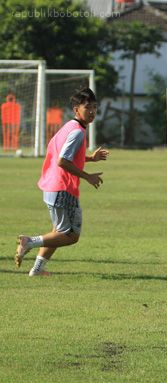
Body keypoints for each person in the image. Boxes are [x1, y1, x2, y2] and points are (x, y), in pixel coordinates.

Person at [14, 87, 109, 276]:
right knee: (70, 236)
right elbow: (62, 161)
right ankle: (28, 242)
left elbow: (65, 155)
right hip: (62, 189)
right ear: (76, 110)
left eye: (95, 107)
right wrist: (88, 176)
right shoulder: (77, 133)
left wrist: (89, 158)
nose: (92, 112)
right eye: (87, 107)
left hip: (55, 186)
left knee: (58, 232)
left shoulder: (69, 127)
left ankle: (37, 270)